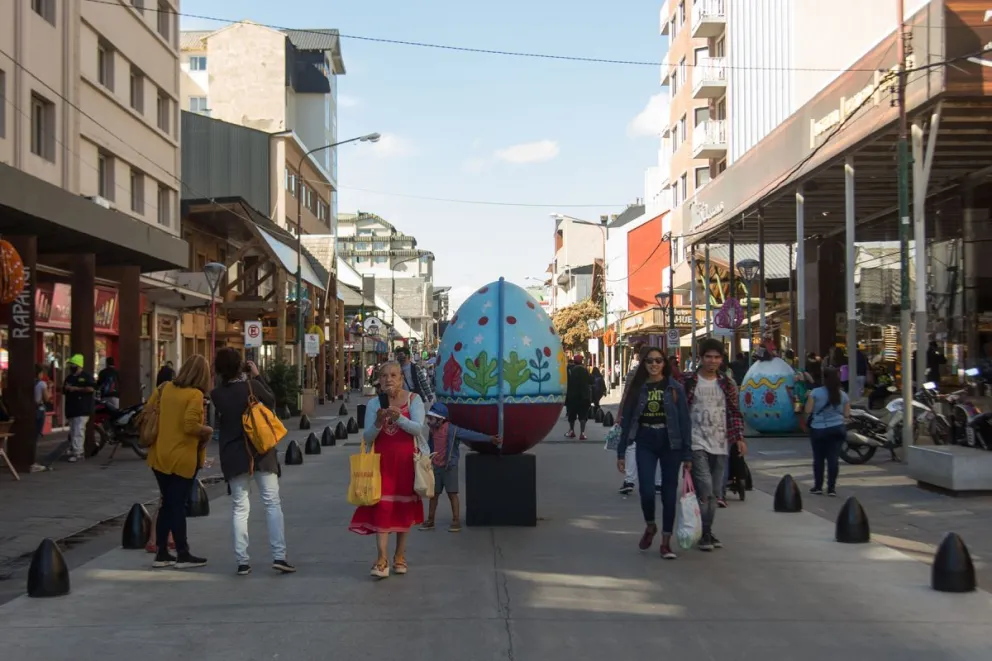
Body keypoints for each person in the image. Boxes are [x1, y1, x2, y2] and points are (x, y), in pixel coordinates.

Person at [211, 347, 295, 576]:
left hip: (234, 455)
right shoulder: (252, 386)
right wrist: (257, 375)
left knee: (240, 507)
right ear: (241, 365)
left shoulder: (217, 395)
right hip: (261, 452)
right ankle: (279, 556)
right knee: (272, 504)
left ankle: (242, 561)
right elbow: (272, 402)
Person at [350, 361, 430, 578]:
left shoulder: (414, 399)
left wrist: (399, 418)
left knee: (403, 510)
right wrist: (377, 423)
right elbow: (366, 437)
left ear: (401, 378)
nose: (388, 379)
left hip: (406, 463)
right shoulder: (375, 403)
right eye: (384, 375)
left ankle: (400, 556)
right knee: (383, 509)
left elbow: (417, 428)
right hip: (381, 464)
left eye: (393, 375)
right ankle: (381, 558)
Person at [616, 346, 692, 560]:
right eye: (650, 361)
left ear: (664, 364)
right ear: (644, 364)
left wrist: (687, 454)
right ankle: (650, 525)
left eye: (658, 361)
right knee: (647, 490)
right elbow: (627, 420)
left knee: (669, 494)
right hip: (646, 440)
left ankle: (666, 543)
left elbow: (685, 422)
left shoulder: (675, 387)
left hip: (671, 443)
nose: (654, 365)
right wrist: (621, 452)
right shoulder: (637, 388)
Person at [145, 354, 213, 569]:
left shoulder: (164, 388)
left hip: (159, 455)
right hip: (182, 457)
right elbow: (190, 425)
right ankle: (183, 553)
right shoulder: (194, 395)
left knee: (167, 503)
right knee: (177, 505)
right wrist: (208, 430)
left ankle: (162, 553)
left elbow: (148, 410)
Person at [682, 339, 745, 552]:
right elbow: (680, 414)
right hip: (696, 442)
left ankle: (706, 530)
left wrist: (739, 438)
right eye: (708, 356)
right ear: (700, 358)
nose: (713, 361)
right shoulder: (689, 382)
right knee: (706, 490)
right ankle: (705, 533)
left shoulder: (727, 384)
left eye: (717, 357)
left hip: (720, 443)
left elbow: (734, 413)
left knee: (716, 493)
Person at [421, 402, 501, 532]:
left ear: (441, 419)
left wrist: (489, 439)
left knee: (452, 494)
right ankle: (430, 520)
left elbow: (470, 434)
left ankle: (456, 520)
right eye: (428, 418)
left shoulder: (452, 430)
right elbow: (429, 446)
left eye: (432, 418)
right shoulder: (432, 431)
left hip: (449, 467)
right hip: (435, 467)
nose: (429, 421)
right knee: (433, 495)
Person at [802, 366, 851, 497]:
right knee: (833, 459)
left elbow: (808, 410)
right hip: (837, 429)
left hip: (819, 429)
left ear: (824, 377)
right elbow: (847, 414)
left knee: (818, 458)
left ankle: (818, 486)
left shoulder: (815, 393)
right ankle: (831, 488)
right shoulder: (843, 395)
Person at [62, 354, 96, 462]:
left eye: (72, 365)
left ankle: (79, 453)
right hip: (71, 409)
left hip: (83, 408)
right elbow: (64, 390)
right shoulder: (69, 378)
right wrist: (67, 389)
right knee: (73, 431)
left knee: (78, 431)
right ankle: (74, 449)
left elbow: (91, 389)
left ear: (78, 365)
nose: (71, 367)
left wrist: (75, 389)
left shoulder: (86, 377)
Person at [29, 365, 52, 473]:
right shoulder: (42, 384)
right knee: (36, 435)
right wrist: (50, 388)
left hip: (30, 410)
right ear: (39, 373)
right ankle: (32, 461)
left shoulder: (28, 383)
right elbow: (47, 398)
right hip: (39, 409)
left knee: (30, 434)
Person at [565, 355, 592, 440]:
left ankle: (571, 431)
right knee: (583, 416)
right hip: (584, 397)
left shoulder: (569, 370)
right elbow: (591, 381)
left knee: (571, 415)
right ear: (581, 361)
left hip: (572, 396)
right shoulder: (585, 370)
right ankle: (582, 433)